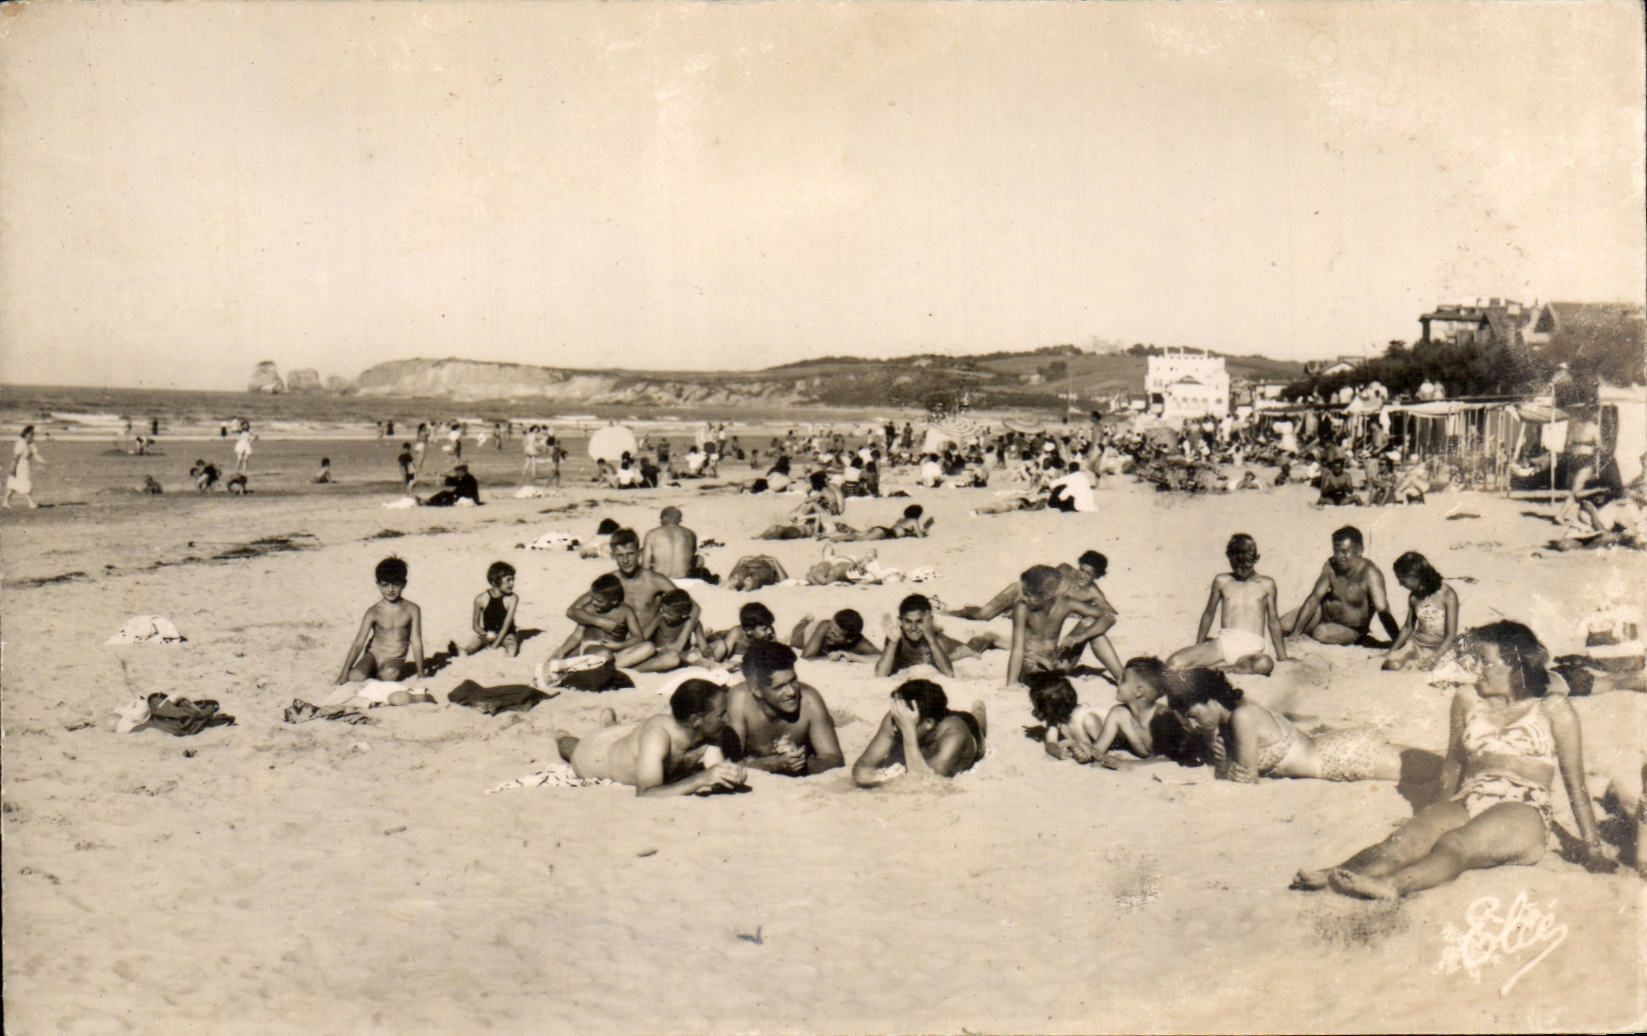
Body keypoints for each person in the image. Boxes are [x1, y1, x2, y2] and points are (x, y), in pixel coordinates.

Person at [1293, 621, 1613, 898]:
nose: (1476, 669)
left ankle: (1393, 885)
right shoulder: (1467, 699)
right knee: (1406, 838)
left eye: (1486, 662)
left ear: (1515, 667)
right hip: (1469, 797)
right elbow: (1454, 766)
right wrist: (1434, 816)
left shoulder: (1553, 709)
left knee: (1456, 843)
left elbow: (1575, 783)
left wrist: (1593, 848)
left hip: (1523, 808)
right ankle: (1339, 874)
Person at [1168, 668, 1400, 783]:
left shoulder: (1242, 717)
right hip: (1334, 748)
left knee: (1420, 768)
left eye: (1193, 715)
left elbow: (1246, 780)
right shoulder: (1236, 712)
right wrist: (1222, 761)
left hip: (1339, 760)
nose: (1194, 723)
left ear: (1210, 700)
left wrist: (1224, 764)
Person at [554, 680, 749, 797]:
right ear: (696, 719)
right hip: (596, 756)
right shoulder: (658, 736)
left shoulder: (710, 733)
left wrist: (732, 776)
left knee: (627, 736)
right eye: (721, 714)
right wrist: (699, 779)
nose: (728, 719)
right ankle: (561, 734)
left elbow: (716, 772)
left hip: (628, 740)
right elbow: (646, 793)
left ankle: (609, 724)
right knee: (575, 749)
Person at [1167, 533, 1288, 676]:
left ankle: (1231, 668)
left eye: (1246, 565)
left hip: (1253, 648)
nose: (1241, 569)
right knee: (1174, 662)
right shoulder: (1222, 581)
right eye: (1236, 565)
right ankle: (1226, 668)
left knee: (1265, 663)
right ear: (1229, 558)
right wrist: (1199, 646)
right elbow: (1209, 614)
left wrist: (1283, 657)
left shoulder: (1266, 584)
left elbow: (1273, 621)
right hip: (1224, 643)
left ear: (1257, 558)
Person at [724, 641, 845, 775]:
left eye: (793, 681)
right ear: (757, 690)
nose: (791, 692)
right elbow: (731, 761)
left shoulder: (809, 700)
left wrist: (801, 764)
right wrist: (773, 764)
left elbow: (834, 758)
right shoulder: (740, 699)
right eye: (779, 687)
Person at [1005, 565, 1124, 687]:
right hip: (1032, 667)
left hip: (1055, 661)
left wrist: (1082, 636)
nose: (1023, 598)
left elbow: (1109, 617)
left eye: (1028, 595)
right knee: (1041, 672)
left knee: (1089, 622)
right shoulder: (1022, 608)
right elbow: (1017, 650)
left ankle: (1122, 679)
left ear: (1047, 595)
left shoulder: (1065, 603)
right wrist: (1011, 684)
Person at [852, 679, 986, 785]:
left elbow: (924, 782)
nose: (895, 727)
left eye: (904, 721)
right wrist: (873, 776)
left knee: (977, 722)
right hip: (934, 717)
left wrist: (907, 729)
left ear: (928, 724)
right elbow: (862, 766)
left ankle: (979, 709)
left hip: (969, 726)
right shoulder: (899, 716)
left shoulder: (955, 735)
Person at [1283, 525, 1401, 646]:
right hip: (1323, 615)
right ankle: (1303, 632)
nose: (1339, 556)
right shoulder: (1331, 565)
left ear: (1360, 550)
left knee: (1321, 633)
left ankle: (1359, 639)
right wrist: (1295, 633)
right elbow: (1314, 598)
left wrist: (1397, 640)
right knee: (1284, 625)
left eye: (1344, 552)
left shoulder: (1370, 574)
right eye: (1336, 551)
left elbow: (1383, 610)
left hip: (1351, 628)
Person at [1087, 656, 1199, 768]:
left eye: (1123, 679)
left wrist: (1125, 763)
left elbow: (1172, 757)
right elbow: (1098, 749)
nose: (1118, 681)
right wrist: (1085, 753)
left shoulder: (1162, 718)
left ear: (1139, 692)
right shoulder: (1118, 713)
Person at [337, 556, 426, 685]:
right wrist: (344, 673)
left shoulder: (412, 609)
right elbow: (359, 642)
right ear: (378, 584)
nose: (390, 589)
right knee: (356, 676)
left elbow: (416, 642)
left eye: (395, 584)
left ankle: (377, 673)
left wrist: (421, 673)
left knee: (388, 675)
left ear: (404, 584)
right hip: (373, 655)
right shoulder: (373, 611)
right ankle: (369, 670)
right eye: (385, 585)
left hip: (395, 658)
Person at [570, 528, 680, 631]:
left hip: (645, 639)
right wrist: (601, 623)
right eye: (620, 555)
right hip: (615, 638)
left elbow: (688, 607)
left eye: (630, 554)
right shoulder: (610, 581)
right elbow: (572, 610)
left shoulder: (655, 581)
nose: (625, 560)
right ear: (613, 556)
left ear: (639, 553)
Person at [876, 594, 995, 678]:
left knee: (974, 645)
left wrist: (931, 638)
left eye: (919, 621)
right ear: (900, 621)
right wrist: (892, 643)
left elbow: (949, 673)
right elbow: (880, 674)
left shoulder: (935, 640)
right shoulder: (896, 636)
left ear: (928, 621)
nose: (913, 627)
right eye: (908, 621)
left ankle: (990, 637)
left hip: (952, 651)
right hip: (924, 653)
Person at [549, 573, 650, 668]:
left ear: (614, 601)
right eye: (593, 599)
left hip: (616, 651)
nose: (594, 602)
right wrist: (562, 651)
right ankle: (606, 665)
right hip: (592, 648)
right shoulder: (589, 610)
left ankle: (610, 666)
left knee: (648, 647)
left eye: (599, 601)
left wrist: (619, 646)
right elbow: (576, 636)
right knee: (604, 654)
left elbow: (638, 638)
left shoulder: (626, 611)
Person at [1382, 551, 1460, 671]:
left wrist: (1434, 659)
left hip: (1441, 647)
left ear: (1414, 576)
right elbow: (1408, 628)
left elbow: (1451, 635)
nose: (1400, 584)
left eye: (1402, 580)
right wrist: (1391, 651)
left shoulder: (1448, 594)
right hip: (1417, 645)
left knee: (1430, 668)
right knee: (1391, 665)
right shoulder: (1413, 597)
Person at [632, 588, 708, 673]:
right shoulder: (660, 619)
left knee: (695, 657)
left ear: (684, 615)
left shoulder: (693, 624)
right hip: (661, 656)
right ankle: (635, 671)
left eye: (669, 613)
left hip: (682, 657)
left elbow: (703, 647)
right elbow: (643, 637)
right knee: (671, 657)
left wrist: (709, 655)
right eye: (662, 610)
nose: (664, 614)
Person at [459, 561, 519, 657]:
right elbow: (475, 626)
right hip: (489, 634)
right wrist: (486, 634)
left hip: (507, 634)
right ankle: (461, 652)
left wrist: (494, 646)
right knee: (471, 647)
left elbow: (506, 626)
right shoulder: (480, 599)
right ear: (494, 582)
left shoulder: (512, 598)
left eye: (513, 579)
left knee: (511, 651)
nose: (512, 583)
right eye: (508, 580)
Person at [789, 609, 879, 660]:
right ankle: (805, 620)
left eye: (834, 634)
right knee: (795, 641)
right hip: (811, 631)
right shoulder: (825, 627)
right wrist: (830, 657)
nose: (828, 634)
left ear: (850, 639)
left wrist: (852, 656)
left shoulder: (860, 643)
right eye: (830, 628)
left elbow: (880, 657)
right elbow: (806, 656)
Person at [709, 601, 778, 665]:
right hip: (720, 637)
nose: (769, 631)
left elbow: (775, 651)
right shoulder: (736, 633)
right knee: (720, 646)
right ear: (749, 631)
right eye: (764, 629)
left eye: (769, 626)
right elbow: (723, 657)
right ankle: (707, 633)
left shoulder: (768, 632)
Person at [641, 506, 700, 580]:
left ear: (665, 518)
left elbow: (645, 565)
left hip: (661, 581)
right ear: (678, 519)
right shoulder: (690, 534)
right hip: (685, 580)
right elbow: (691, 556)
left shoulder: (652, 534)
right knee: (700, 559)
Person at [824, 504, 933, 542]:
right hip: (885, 533)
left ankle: (829, 535)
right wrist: (925, 532)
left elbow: (895, 528)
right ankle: (837, 538)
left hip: (883, 529)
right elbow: (920, 536)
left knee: (858, 534)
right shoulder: (914, 521)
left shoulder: (901, 519)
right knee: (859, 538)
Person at [3, 425, 43, 509]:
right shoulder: (20, 443)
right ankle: (31, 503)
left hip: (25, 466)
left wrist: (44, 462)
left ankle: (6, 502)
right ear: (27, 434)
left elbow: (35, 455)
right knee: (24, 483)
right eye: (32, 434)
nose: (33, 436)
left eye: (33, 434)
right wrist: (13, 467)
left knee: (14, 485)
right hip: (19, 466)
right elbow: (16, 457)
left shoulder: (31, 444)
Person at [724, 554, 788, 592]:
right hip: (747, 567)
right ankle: (745, 584)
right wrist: (742, 559)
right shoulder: (745, 566)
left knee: (754, 577)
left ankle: (746, 584)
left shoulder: (769, 570)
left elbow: (785, 580)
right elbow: (785, 580)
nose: (758, 557)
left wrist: (774, 561)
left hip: (760, 569)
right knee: (740, 576)